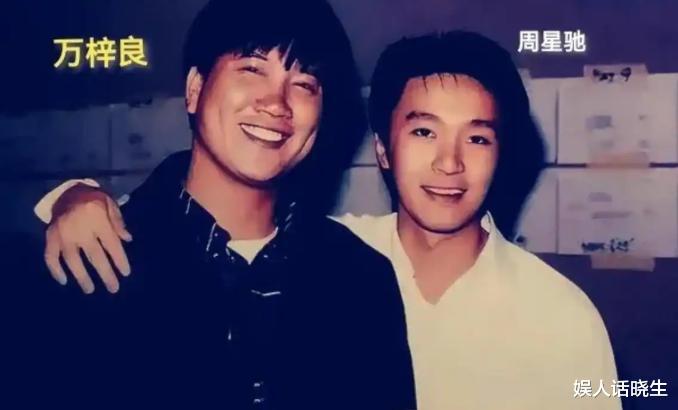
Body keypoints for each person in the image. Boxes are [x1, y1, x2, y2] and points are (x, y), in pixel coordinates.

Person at [34, 31, 620, 410]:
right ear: (384, 149)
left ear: (502, 153)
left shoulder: (561, 317)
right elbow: (199, 223)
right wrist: (74, 197)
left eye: (478, 138)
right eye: (423, 131)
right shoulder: (332, 259)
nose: (450, 163)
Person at [14, 0, 417, 409]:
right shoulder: (91, 261)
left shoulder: (360, 277)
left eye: (304, 84)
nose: (277, 104)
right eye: (252, 69)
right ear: (194, 90)